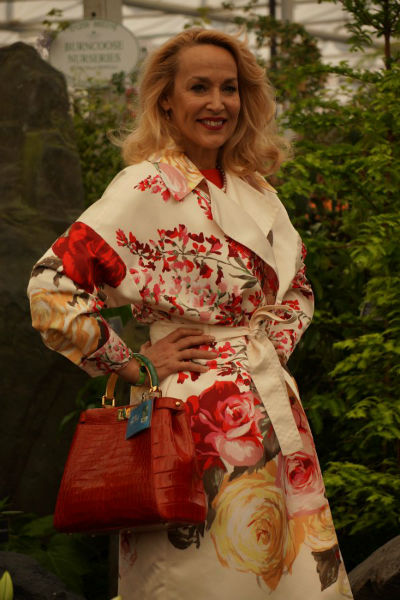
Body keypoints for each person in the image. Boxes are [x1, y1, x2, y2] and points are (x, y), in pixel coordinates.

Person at [28, 28, 353, 600]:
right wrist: (131, 363)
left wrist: (262, 348)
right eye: (199, 87)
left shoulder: (255, 187)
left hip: (270, 409)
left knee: (283, 580)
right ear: (166, 101)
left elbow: (297, 287)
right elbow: (51, 288)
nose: (217, 103)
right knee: (202, 579)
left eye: (230, 88)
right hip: (187, 421)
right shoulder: (146, 187)